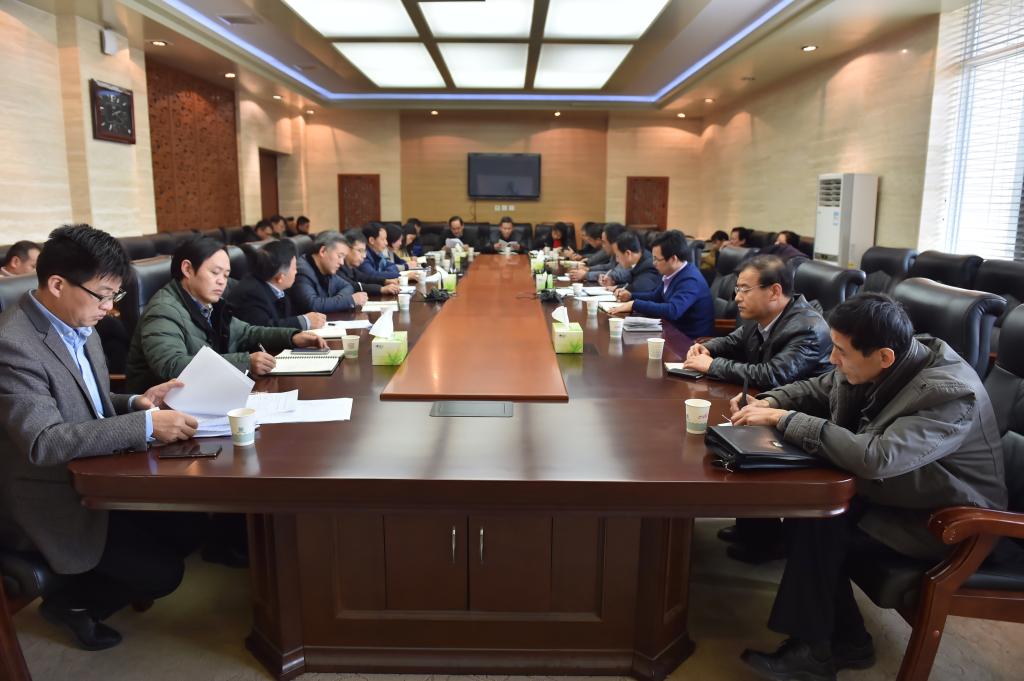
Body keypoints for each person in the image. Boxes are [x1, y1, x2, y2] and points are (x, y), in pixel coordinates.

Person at [731, 293, 1006, 681]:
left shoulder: (949, 393)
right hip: (903, 495)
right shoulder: (894, 356)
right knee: (812, 513)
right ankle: (848, 641)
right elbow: (824, 385)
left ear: (884, 357)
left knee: (819, 524)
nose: (832, 359)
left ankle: (815, 651)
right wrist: (771, 399)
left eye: (841, 352)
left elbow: (878, 458)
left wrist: (785, 419)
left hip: (950, 522)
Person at [0, 224, 198, 650]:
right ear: (57, 284)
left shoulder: (76, 320)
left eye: (115, 296)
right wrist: (146, 427)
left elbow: (87, 399)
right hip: (51, 496)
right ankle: (71, 604)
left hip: (99, 473)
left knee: (192, 523)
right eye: (103, 296)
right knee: (164, 573)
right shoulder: (12, 346)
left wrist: (137, 403)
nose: (110, 309)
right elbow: (44, 440)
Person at [684, 255, 833, 563]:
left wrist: (712, 365)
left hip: (807, 418)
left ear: (774, 291)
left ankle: (768, 539)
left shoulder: (807, 328)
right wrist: (706, 348)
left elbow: (773, 375)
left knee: (736, 434)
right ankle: (753, 527)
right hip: (771, 403)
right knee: (726, 430)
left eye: (744, 289)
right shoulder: (763, 318)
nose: (736, 297)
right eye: (737, 289)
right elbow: (732, 341)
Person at [125, 236, 326, 393]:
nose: (222, 281)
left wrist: (292, 336)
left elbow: (246, 332)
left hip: (207, 393)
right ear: (187, 269)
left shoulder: (208, 303)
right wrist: (245, 362)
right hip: (164, 409)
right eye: (215, 272)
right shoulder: (163, 310)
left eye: (226, 275)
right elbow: (171, 366)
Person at [610, 230, 715, 339]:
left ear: (673, 259)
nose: (653, 263)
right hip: (671, 331)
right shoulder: (672, 273)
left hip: (689, 340)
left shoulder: (690, 280)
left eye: (657, 259)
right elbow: (656, 296)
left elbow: (673, 310)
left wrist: (635, 304)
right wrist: (631, 296)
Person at [227, 239, 326, 330]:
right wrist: (304, 322)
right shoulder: (252, 293)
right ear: (280, 277)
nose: (296, 272)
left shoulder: (274, 285)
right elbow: (262, 329)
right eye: (294, 268)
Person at [291, 231, 367, 313]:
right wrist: (350, 300)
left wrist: (338, 301)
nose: (342, 262)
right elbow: (313, 305)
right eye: (339, 256)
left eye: (343, 257)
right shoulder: (302, 271)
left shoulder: (326, 269)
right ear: (323, 251)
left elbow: (347, 286)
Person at [610, 231, 660, 296]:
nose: (617, 260)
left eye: (617, 256)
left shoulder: (648, 265)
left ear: (628, 253)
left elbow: (641, 289)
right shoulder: (641, 259)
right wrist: (617, 287)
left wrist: (620, 289)